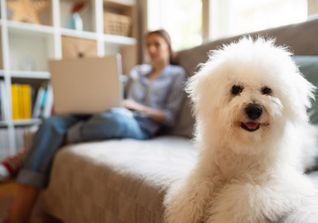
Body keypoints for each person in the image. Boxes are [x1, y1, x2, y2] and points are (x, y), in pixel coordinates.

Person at [5, 29, 186, 222]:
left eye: (156, 44)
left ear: (168, 45)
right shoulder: (137, 72)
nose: (151, 49)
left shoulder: (176, 74)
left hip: (140, 125)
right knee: (52, 123)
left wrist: (137, 107)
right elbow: (116, 96)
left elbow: (169, 117)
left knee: (114, 118)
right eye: (148, 44)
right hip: (112, 113)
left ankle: (35, 151)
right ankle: (20, 213)